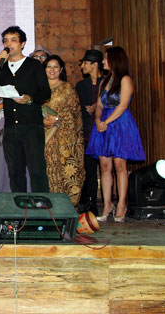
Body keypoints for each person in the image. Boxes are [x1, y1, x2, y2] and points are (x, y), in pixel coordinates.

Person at [0, 26, 51, 194]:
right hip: (10, 128)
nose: (8, 44)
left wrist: (30, 99)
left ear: (22, 44)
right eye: (5, 41)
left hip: (32, 126)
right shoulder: (3, 67)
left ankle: (42, 206)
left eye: (13, 40)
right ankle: (20, 207)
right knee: (15, 172)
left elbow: (46, 92)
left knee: (37, 170)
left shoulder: (33, 65)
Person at [86, 46, 145, 223]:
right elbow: (99, 105)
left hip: (119, 124)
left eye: (106, 58)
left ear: (115, 60)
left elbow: (123, 105)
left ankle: (121, 205)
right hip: (103, 124)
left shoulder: (125, 79)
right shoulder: (104, 81)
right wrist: (98, 120)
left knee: (120, 165)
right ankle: (107, 205)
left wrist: (107, 122)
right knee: (104, 167)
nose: (103, 61)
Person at [42, 55, 85, 205]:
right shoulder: (39, 89)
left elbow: (75, 113)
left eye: (55, 67)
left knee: (65, 172)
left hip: (64, 139)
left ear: (61, 70)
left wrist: (58, 119)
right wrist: (42, 121)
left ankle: (66, 206)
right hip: (43, 137)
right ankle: (48, 206)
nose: (52, 70)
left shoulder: (67, 89)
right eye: (49, 67)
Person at [75, 49, 104, 215]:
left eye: (86, 63)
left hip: (105, 132)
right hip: (87, 132)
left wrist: (98, 107)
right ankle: (91, 202)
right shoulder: (81, 85)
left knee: (107, 168)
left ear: (95, 64)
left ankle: (109, 202)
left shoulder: (106, 83)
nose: (82, 66)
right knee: (90, 169)